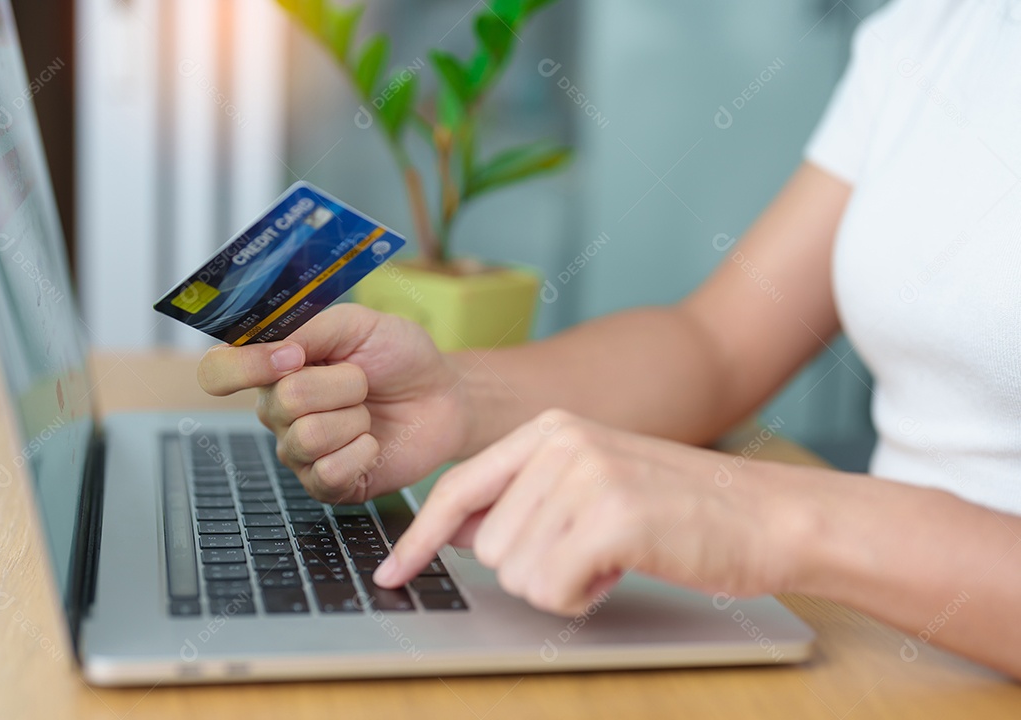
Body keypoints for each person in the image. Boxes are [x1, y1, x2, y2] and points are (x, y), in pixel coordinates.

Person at [197, 0, 1021, 679]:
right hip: (881, 661)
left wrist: (779, 521)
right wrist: (456, 396)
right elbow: (717, 344)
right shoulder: (940, 29)